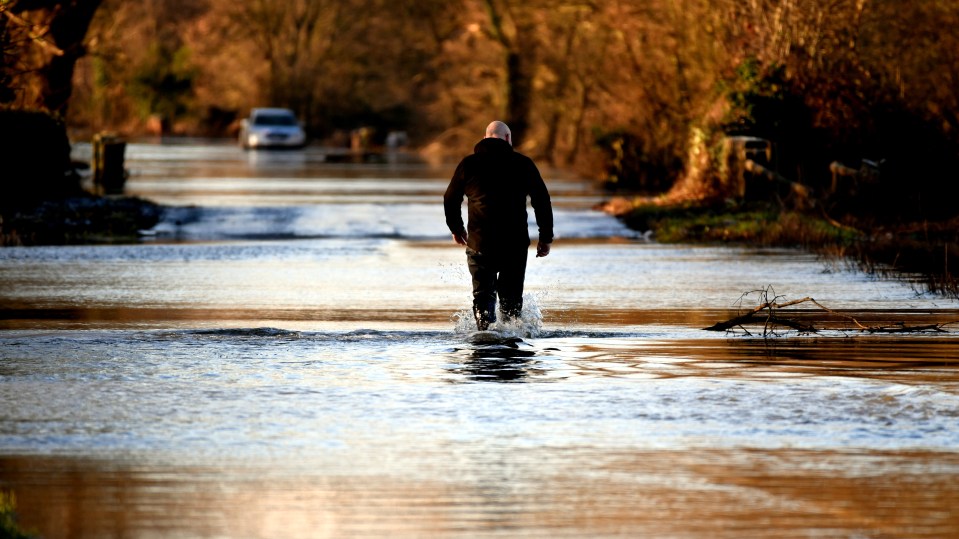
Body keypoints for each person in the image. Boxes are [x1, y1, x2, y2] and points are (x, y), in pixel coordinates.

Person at [444, 120, 554, 331]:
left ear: (485, 137)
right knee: (511, 300)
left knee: (482, 296)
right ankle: (510, 341)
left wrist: (456, 229)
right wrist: (545, 237)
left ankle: (484, 337)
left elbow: (450, 199)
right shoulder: (523, 163)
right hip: (514, 243)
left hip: (479, 241)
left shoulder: (468, 164)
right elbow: (542, 200)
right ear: (507, 138)